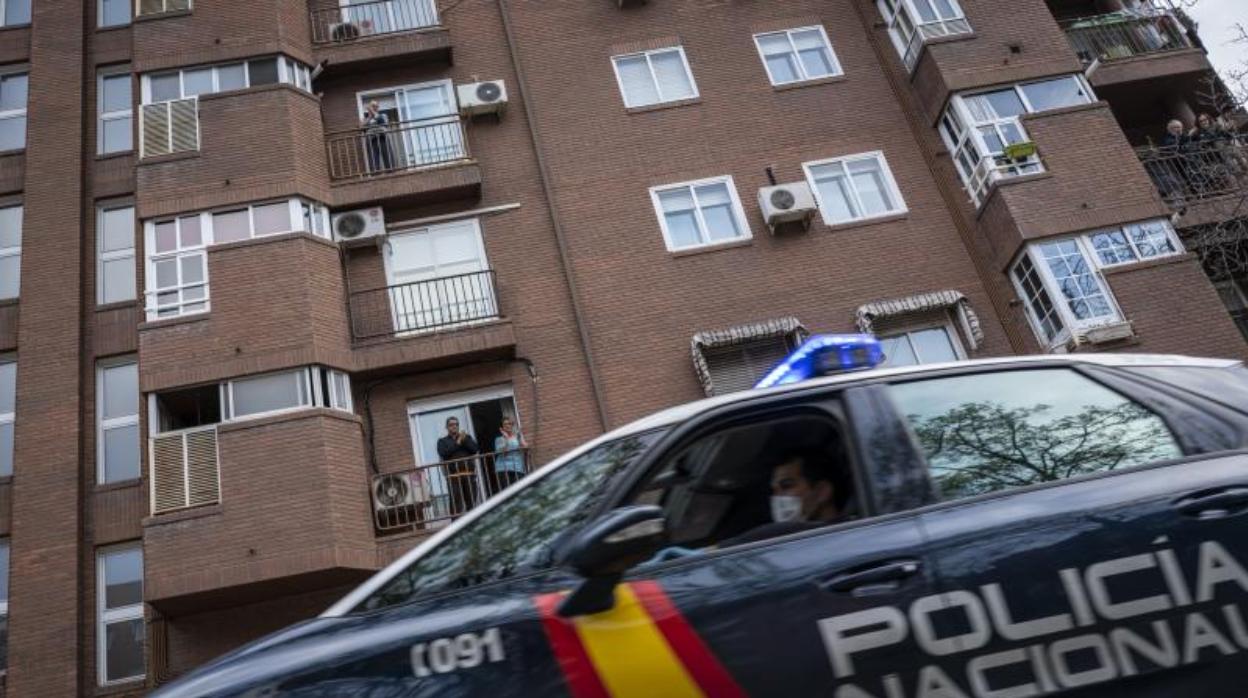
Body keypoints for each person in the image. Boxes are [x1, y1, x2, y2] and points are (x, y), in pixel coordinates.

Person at [723, 449, 856, 547]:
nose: (777, 497)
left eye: (786, 485)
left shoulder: (848, 536)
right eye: (774, 490)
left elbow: (771, 532)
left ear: (822, 492)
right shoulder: (797, 542)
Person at [436, 417, 480, 515]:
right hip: (453, 477)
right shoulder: (442, 441)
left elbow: (475, 449)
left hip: (469, 475)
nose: (454, 426)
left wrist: (464, 440)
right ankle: (456, 525)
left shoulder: (466, 438)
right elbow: (444, 453)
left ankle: (473, 525)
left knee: (472, 502)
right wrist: (458, 442)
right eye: (451, 424)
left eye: (456, 424)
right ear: (447, 427)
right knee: (456, 505)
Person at [492, 417, 528, 493]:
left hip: (517, 468)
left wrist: (520, 437)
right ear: (501, 428)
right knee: (507, 493)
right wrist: (507, 439)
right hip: (503, 469)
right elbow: (504, 453)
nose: (508, 426)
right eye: (505, 424)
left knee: (519, 491)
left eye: (510, 424)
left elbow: (526, 447)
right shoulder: (499, 439)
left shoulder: (517, 437)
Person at [361, 100, 393, 173]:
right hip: (372, 140)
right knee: (374, 159)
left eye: (376, 106)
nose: (375, 108)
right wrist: (369, 117)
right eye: (373, 106)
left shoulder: (383, 115)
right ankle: (376, 174)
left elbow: (383, 122)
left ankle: (390, 172)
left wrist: (373, 112)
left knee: (387, 157)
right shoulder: (365, 119)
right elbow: (362, 128)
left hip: (383, 138)